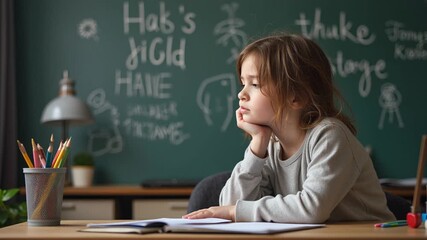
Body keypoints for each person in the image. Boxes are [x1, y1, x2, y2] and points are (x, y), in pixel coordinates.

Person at [183, 33, 395, 223]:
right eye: (242, 83)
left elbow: (312, 209)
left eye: (255, 84)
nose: (241, 94)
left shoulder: (330, 136)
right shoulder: (272, 145)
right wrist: (257, 147)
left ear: (296, 96)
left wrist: (233, 212)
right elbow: (230, 204)